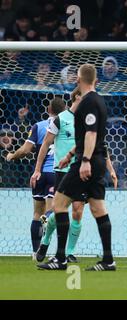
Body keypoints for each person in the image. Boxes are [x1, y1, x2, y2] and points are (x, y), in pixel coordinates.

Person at [37, 64, 115, 271]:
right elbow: (91, 135)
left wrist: (84, 160)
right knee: (98, 208)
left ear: (78, 81)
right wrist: (70, 155)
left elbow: (90, 134)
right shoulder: (99, 101)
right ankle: (108, 260)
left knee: (60, 204)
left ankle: (60, 259)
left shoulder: (88, 102)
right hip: (95, 159)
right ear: (96, 80)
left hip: (87, 161)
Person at [6, 98, 66, 260]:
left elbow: (25, 150)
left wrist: (12, 156)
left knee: (36, 214)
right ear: (65, 110)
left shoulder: (38, 126)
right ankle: (55, 250)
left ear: (48, 110)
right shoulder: (67, 125)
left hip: (39, 174)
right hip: (57, 173)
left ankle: (35, 252)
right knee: (55, 212)